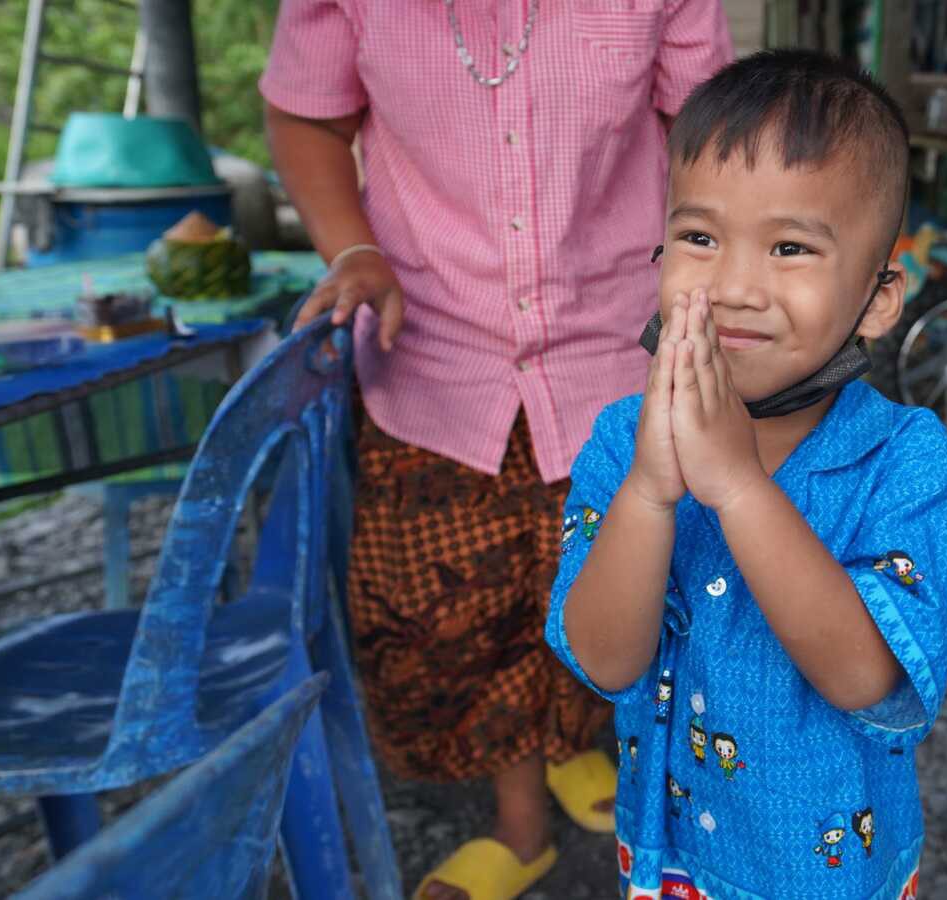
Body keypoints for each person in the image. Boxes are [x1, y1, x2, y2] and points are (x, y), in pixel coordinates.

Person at [257, 1, 732, 896]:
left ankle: (576, 747)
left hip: (607, 342)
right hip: (433, 350)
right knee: (465, 609)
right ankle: (521, 831)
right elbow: (304, 113)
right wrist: (352, 247)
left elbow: (709, 129)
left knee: (616, 573)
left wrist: (710, 264)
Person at [547, 50, 947, 899]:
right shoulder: (622, 441)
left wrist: (739, 488)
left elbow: (864, 677)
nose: (736, 286)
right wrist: (647, 492)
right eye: (699, 238)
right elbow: (603, 661)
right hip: (668, 867)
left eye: (789, 247)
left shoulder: (909, 464)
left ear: (880, 297)